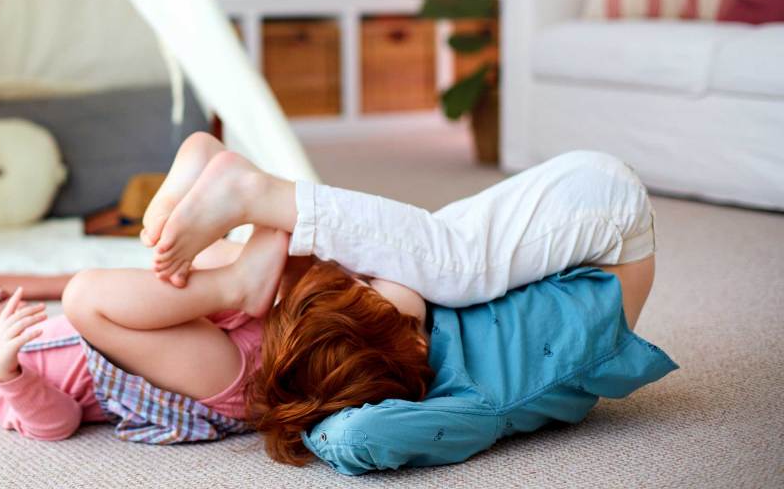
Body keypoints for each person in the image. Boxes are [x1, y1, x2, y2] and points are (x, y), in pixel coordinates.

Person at [137, 132, 662, 464]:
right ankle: (258, 197)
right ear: (408, 347)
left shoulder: (410, 327)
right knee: (453, 269)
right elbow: (358, 436)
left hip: (560, 232)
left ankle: (245, 224)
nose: (364, 275)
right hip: (606, 222)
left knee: (435, 263)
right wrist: (310, 422)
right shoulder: (475, 402)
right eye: (369, 288)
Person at [0, 226, 295, 444]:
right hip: (219, 385)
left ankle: (272, 273)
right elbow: (56, 424)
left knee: (197, 249)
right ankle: (241, 283)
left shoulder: (35, 335)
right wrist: (8, 372)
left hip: (223, 344)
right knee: (84, 293)